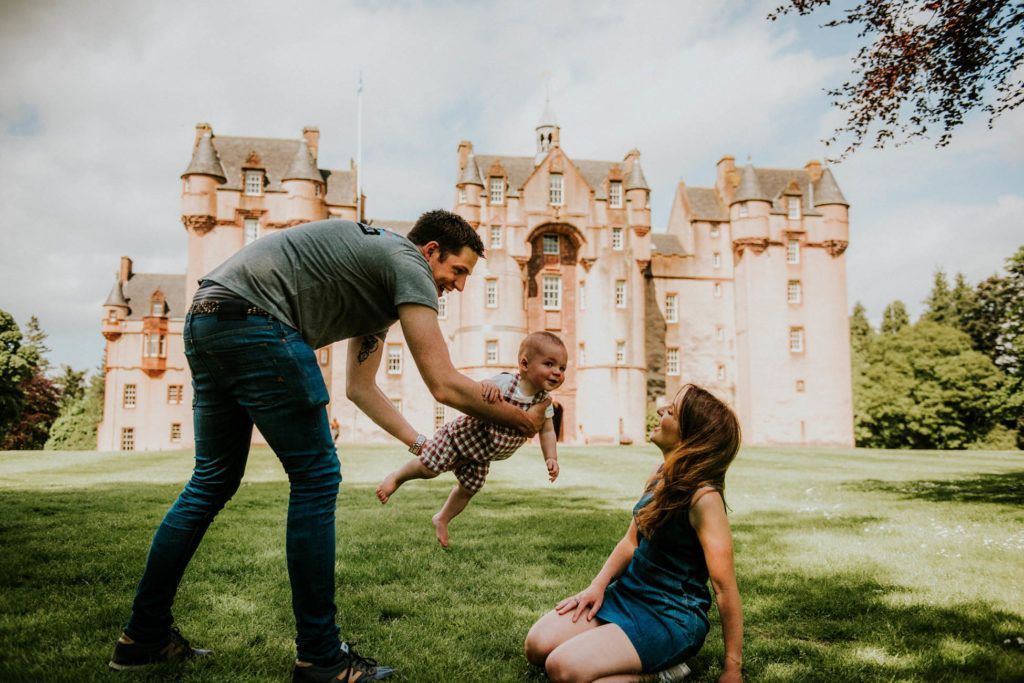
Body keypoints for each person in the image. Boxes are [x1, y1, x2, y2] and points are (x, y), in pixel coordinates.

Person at [108, 211, 550, 682]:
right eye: (458, 271)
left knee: (210, 482)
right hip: (260, 323)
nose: (458, 286)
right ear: (432, 252)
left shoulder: (379, 280)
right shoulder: (409, 264)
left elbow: (361, 387)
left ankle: (143, 636)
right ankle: (320, 657)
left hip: (207, 318)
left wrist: (421, 444)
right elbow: (444, 384)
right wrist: (522, 421)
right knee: (317, 479)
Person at [524, 384, 744, 683]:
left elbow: (725, 589)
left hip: (671, 615)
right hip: (629, 594)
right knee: (537, 645)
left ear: (692, 437)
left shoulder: (704, 499)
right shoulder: (660, 474)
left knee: (562, 669)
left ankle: (662, 673)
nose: (660, 410)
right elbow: (630, 542)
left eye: (673, 412)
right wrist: (596, 586)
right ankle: (622, 648)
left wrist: (732, 668)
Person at [375, 331, 566, 547]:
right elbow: (480, 390)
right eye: (549, 364)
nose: (557, 372)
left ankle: (442, 518)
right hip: (460, 437)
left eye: (562, 368)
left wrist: (551, 458)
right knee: (430, 467)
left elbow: (547, 431)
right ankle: (397, 477)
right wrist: (488, 386)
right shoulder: (506, 382)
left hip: (482, 455)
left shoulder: (544, 402)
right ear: (524, 364)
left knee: (469, 489)